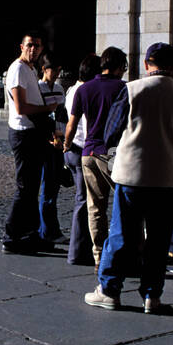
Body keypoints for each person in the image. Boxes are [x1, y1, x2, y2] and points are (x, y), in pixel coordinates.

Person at [85, 42, 173, 314]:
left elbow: (110, 132)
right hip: (167, 176)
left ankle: (109, 290)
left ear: (146, 64)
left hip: (132, 174)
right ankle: (152, 296)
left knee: (122, 235)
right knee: (158, 241)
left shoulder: (132, 90)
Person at [64, 46, 128, 270]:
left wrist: (66, 146)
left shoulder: (84, 89)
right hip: (110, 153)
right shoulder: (123, 88)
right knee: (123, 202)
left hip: (87, 152)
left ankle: (99, 256)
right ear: (120, 66)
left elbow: (72, 124)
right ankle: (123, 254)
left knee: (95, 208)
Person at [2, 34, 53, 254]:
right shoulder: (18, 69)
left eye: (37, 46)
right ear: (22, 46)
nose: (33, 49)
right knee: (24, 188)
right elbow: (22, 107)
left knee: (32, 188)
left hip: (32, 132)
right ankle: (10, 236)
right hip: (23, 134)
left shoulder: (30, 69)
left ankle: (31, 234)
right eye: (29, 45)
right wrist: (48, 109)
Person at [63, 54, 99, 266]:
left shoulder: (71, 90)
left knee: (83, 199)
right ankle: (77, 250)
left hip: (73, 149)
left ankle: (80, 248)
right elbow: (81, 124)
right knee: (84, 200)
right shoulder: (86, 91)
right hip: (82, 148)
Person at [36, 51, 66, 245]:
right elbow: (39, 117)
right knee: (47, 187)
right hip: (46, 142)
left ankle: (49, 228)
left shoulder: (59, 89)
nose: (55, 74)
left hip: (59, 141)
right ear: (44, 70)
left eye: (57, 70)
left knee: (54, 187)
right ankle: (47, 230)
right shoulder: (37, 89)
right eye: (52, 70)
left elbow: (63, 115)